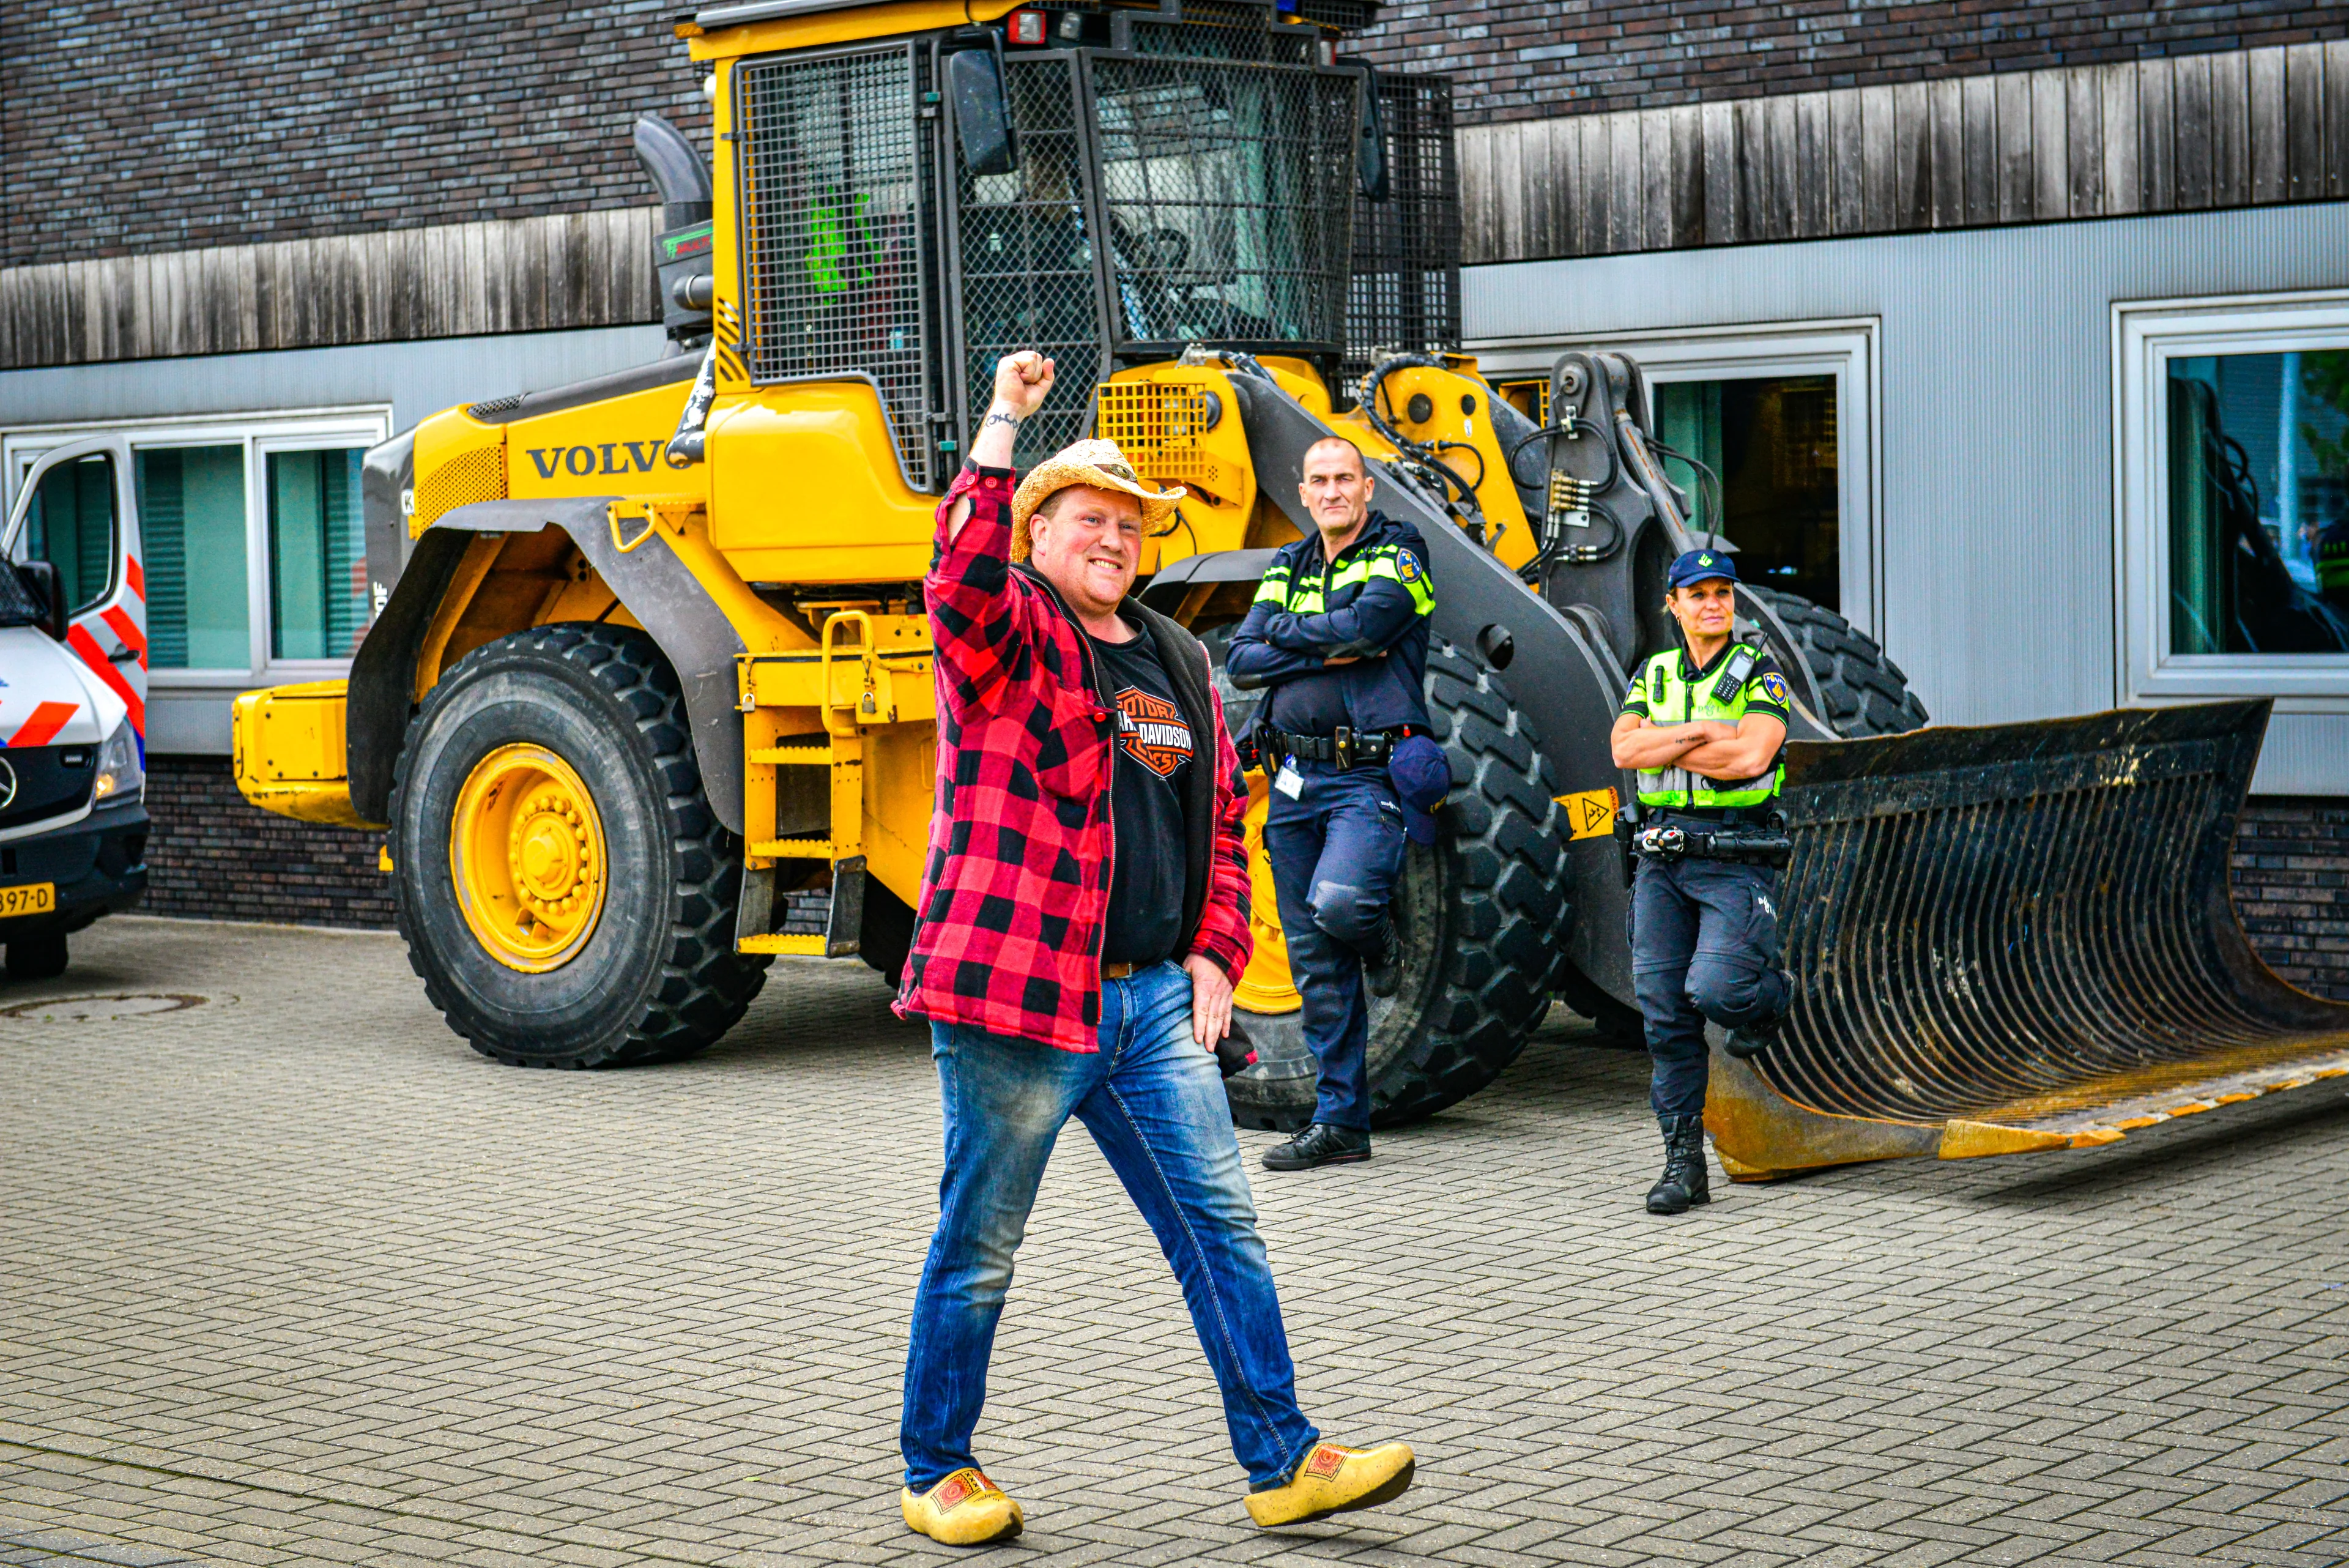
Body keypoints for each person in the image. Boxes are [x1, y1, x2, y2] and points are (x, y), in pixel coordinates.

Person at [891, 351, 1417, 1545]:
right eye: (1091, 518)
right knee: (980, 1243)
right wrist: (1003, 424)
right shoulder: (1007, 633)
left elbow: (1221, 825)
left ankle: (1284, 1458)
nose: (1116, 538)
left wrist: (1218, 955)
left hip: (1146, 1010)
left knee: (1220, 1228)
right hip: (1023, 1001)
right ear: (1040, 531)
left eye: (1131, 523)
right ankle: (936, 1468)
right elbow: (957, 580)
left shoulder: (1181, 659)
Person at [1226, 435, 1441, 1172]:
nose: (1332, 491)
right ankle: (1341, 1123)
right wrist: (1326, 644)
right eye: (1318, 479)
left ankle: (1383, 945)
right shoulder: (1286, 564)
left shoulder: (1399, 552)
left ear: (1367, 487)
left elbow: (1374, 625)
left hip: (1365, 776)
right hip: (1291, 780)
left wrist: (1294, 637)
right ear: (1305, 489)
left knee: (1343, 906)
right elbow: (1243, 658)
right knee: (1315, 965)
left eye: (1344, 478)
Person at [1609, 549, 1795, 1216]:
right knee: (1664, 1015)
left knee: (1714, 988)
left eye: (1723, 592)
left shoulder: (1761, 675)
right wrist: (1702, 730)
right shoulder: (1652, 672)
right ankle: (1684, 1164)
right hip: (1661, 860)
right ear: (1674, 604)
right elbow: (1624, 750)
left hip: (1732, 855)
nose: (1713, 603)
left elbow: (1751, 754)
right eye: (1698, 593)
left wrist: (1669, 737)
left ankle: (1772, 996)